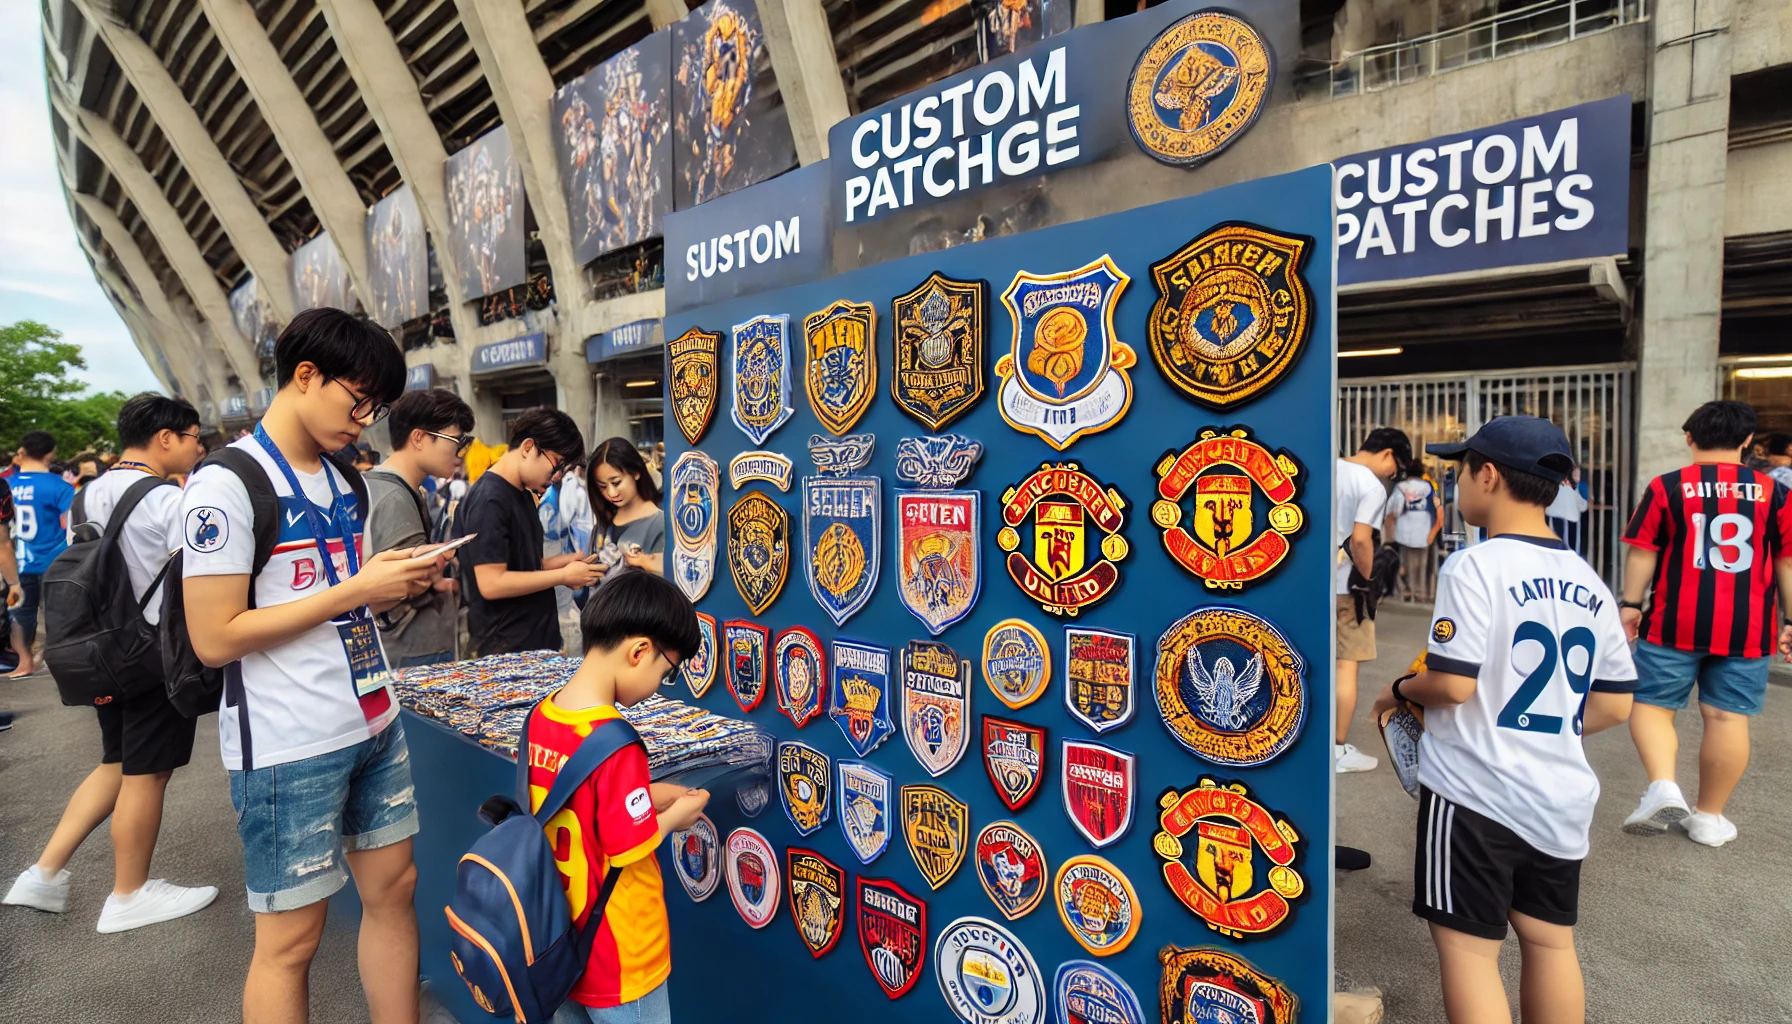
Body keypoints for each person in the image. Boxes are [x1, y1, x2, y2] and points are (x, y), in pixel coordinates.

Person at [180, 308, 445, 1024]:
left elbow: (337, 602)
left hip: (372, 717)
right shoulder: (225, 486)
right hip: (286, 743)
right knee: (292, 941)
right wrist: (355, 588)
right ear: (305, 376)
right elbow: (214, 636)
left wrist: (387, 581)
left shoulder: (346, 484)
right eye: (359, 400)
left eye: (376, 407)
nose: (365, 420)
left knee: (395, 890)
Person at [1373, 416, 1634, 1024]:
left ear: (1487, 476)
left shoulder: (1475, 566)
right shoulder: (1589, 580)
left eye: (1460, 472)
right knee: (1550, 942)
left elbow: (1452, 684)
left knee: (1469, 952)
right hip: (1562, 797)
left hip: (1474, 795)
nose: (1457, 487)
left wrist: (1396, 689)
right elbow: (1617, 703)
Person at [3, 394, 216, 931]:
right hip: (151, 653)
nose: (198, 448)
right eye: (193, 437)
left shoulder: (87, 494)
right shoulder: (167, 499)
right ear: (166, 437)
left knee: (117, 762)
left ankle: (43, 873)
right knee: (147, 772)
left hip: (103, 649)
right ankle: (129, 893)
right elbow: (195, 575)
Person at [534, 569, 710, 1024]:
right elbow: (631, 845)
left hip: (557, 934)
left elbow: (578, 800)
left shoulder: (544, 716)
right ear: (639, 652)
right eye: (666, 673)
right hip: (621, 949)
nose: (658, 688)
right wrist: (677, 817)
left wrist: (648, 793)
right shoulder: (616, 741)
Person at [1617, 400, 1792, 848]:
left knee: (1653, 704)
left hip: (1675, 622)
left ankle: (1663, 787)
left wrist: (1630, 605)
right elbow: (1787, 561)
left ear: (1690, 438)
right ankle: (1710, 819)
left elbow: (1643, 550)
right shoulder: (1778, 494)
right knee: (1727, 718)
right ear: (1748, 441)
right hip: (1747, 630)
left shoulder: (1667, 486)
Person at [457, 409, 604, 656]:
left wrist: (566, 562)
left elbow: (524, 564)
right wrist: (562, 576)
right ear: (528, 448)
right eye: (557, 464)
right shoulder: (490, 499)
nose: (557, 475)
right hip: (506, 649)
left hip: (531, 642)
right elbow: (492, 583)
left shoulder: (523, 493)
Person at [366, 389, 475, 669]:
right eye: (456, 441)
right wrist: (435, 568)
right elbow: (396, 585)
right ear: (419, 438)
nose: (460, 454)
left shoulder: (381, 486)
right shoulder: (396, 498)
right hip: (410, 654)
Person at [1335, 426, 1411, 774]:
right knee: (1345, 665)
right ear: (1387, 454)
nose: (1392, 476)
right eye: (1394, 470)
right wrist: (1367, 582)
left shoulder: (1327, 466)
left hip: (1310, 586)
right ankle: (1336, 750)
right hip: (1345, 588)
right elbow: (1362, 541)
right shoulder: (1369, 485)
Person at [7, 430, 76, 678]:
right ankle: (56, 663)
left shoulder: (8, 484)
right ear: (51, 454)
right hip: (55, 561)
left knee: (20, 615)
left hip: (17, 563)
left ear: (23, 452)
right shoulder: (60, 486)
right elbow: (68, 525)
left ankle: (24, 662)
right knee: (58, 614)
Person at [586, 437, 666, 578]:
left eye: (616, 483)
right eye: (603, 487)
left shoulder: (660, 524)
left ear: (635, 473)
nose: (611, 493)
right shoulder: (603, 524)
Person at [1384, 464, 1441, 601]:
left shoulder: (1401, 487)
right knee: (1421, 565)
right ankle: (1420, 593)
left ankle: (1406, 591)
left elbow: (1396, 507)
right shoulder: (1429, 487)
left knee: (1405, 563)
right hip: (1424, 530)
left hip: (1404, 531)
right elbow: (1436, 507)